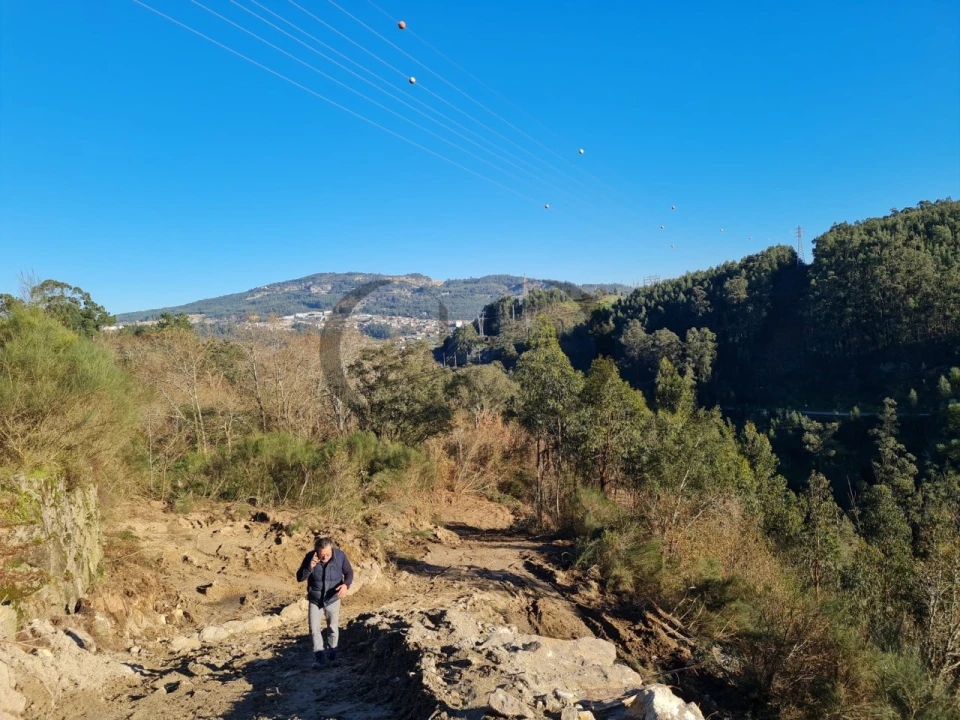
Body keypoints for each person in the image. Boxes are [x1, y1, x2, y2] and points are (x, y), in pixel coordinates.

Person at [296, 536, 353, 667]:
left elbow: (349, 572)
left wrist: (345, 585)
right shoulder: (310, 557)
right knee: (314, 628)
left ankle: (333, 655)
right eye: (322, 555)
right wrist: (309, 567)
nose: (324, 557)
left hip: (333, 598)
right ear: (316, 552)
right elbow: (299, 577)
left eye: (327, 554)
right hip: (315, 599)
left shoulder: (340, 556)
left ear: (332, 550)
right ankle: (320, 657)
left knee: (333, 627)